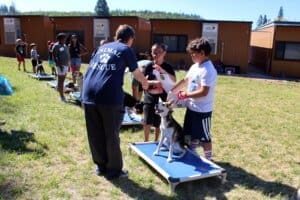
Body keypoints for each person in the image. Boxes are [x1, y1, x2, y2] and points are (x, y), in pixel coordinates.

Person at [82, 24, 149, 180]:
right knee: (111, 134)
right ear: (130, 38)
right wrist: (145, 84)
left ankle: (100, 166)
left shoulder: (101, 48)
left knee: (95, 132)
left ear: (116, 35)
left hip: (88, 94)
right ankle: (114, 171)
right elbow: (137, 73)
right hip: (109, 97)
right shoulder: (126, 50)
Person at [169, 37, 217, 161]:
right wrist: (172, 91)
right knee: (190, 134)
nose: (191, 56)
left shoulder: (209, 70)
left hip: (203, 110)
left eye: (193, 54)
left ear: (202, 53)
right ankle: (192, 152)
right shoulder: (195, 66)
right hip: (191, 107)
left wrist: (186, 95)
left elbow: (204, 92)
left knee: (205, 137)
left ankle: (210, 160)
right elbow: (185, 80)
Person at [143, 43, 176, 142]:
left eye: (158, 52)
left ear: (164, 53)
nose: (156, 54)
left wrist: (162, 71)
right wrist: (154, 82)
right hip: (149, 96)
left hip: (163, 97)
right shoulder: (149, 66)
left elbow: (174, 80)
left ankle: (157, 140)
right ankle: (145, 141)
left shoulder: (168, 66)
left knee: (160, 119)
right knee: (147, 119)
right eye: (154, 52)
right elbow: (144, 82)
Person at [52, 33, 70, 102]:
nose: (65, 39)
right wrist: (59, 65)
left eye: (65, 38)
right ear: (60, 39)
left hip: (65, 65)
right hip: (61, 66)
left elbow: (67, 55)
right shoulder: (56, 46)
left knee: (62, 80)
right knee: (61, 81)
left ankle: (60, 91)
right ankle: (62, 97)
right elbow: (55, 57)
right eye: (64, 38)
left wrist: (68, 64)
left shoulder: (65, 45)